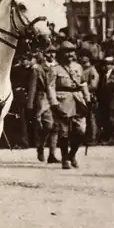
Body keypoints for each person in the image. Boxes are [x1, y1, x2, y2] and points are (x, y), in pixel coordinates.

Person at [49, 41, 91, 169]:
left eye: (72, 52)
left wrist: (88, 99)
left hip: (78, 99)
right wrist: (54, 103)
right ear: (61, 54)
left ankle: (71, 155)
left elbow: (83, 84)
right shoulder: (55, 69)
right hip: (63, 100)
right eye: (66, 52)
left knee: (81, 130)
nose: (70, 55)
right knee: (64, 132)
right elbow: (50, 87)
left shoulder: (78, 67)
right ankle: (64, 159)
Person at [27, 44, 60, 162]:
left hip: (58, 99)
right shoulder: (38, 69)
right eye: (49, 52)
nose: (52, 55)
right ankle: (40, 146)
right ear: (44, 54)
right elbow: (33, 87)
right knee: (47, 126)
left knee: (56, 127)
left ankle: (52, 154)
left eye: (54, 52)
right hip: (43, 99)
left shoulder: (58, 67)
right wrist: (30, 104)